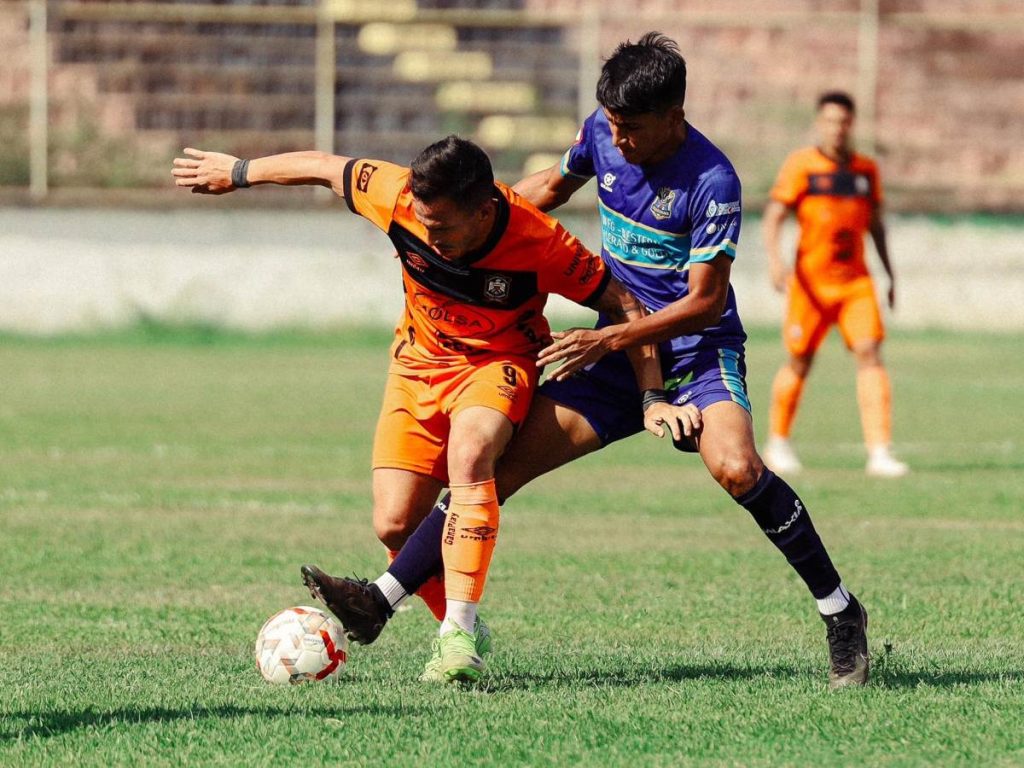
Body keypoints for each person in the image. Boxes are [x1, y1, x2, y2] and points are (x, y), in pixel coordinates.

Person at [303, 33, 871, 689]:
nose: (618, 138)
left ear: (673, 116)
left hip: (693, 350)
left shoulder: (712, 181)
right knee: (488, 475)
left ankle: (839, 610)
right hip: (616, 350)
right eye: (612, 124)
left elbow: (706, 302)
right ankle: (378, 602)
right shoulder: (602, 134)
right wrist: (484, 231)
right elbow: (548, 186)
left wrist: (612, 343)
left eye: (631, 128)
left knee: (737, 467)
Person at [172, 135, 683, 684]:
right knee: (394, 523)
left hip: (498, 365)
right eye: (423, 223)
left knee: (472, 454)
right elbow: (324, 166)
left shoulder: (540, 241)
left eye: (442, 227)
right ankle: (457, 623)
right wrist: (240, 170)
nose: (429, 236)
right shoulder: (396, 195)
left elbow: (624, 302)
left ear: (485, 209)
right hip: (417, 366)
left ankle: (457, 635)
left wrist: (651, 395)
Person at [762, 91, 908, 478]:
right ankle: (777, 442)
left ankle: (879, 452)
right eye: (829, 121)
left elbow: (876, 225)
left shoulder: (865, 171)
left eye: (843, 121)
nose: (837, 129)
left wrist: (890, 274)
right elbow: (774, 215)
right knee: (800, 360)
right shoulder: (802, 166)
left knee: (870, 354)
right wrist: (775, 262)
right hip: (810, 284)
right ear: (818, 123)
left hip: (855, 283)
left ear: (852, 124)